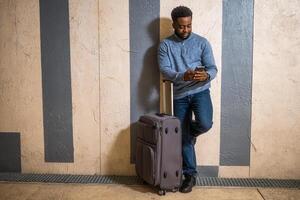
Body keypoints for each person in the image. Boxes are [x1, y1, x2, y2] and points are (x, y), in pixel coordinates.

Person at [158, 6, 217, 193]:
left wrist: (205, 76)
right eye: (182, 26)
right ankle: (190, 175)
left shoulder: (202, 43)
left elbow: (213, 68)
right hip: (180, 95)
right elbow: (164, 69)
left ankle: (188, 133)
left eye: (189, 26)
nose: (186, 30)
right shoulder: (165, 45)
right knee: (182, 138)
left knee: (205, 124)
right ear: (174, 24)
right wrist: (184, 75)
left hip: (201, 91)